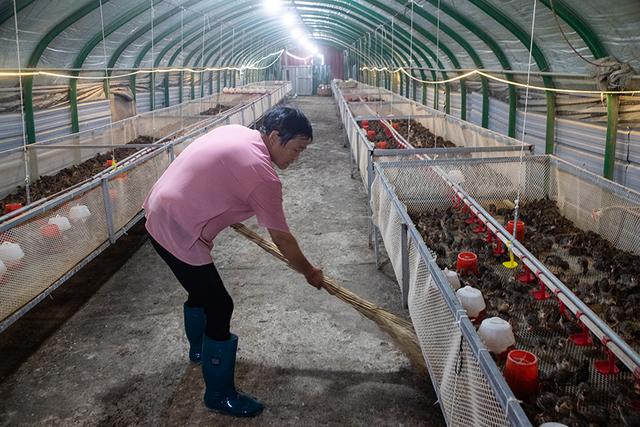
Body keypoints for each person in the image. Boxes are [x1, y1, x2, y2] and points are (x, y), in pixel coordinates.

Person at [143, 106, 329, 417]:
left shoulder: (237, 132)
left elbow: (213, 174)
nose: (297, 158)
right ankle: (219, 395)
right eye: (296, 149)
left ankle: (200, 349)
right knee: (219, 305)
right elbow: (283, 239)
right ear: (274, 137)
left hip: (157, 211)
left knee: (200, 291)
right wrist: (309, 272)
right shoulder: (263, 176)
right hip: (179, 231)